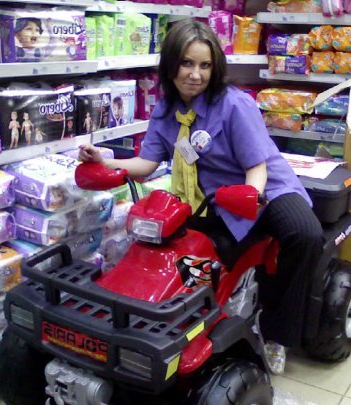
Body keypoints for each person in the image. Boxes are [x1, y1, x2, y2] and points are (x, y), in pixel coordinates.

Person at [78, 19, 323, 374]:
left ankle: (276, 334)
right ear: (171, 65)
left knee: (306, 234)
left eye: (205, 65)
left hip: (264, 189)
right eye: (187, 63)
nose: (196, 75)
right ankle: (185, 327)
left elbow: (257, 166)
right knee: (188, 256)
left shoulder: (235, 105)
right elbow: (147, 163)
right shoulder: (166, 110)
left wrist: (250, 197)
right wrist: (105, 160)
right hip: (212, 197)